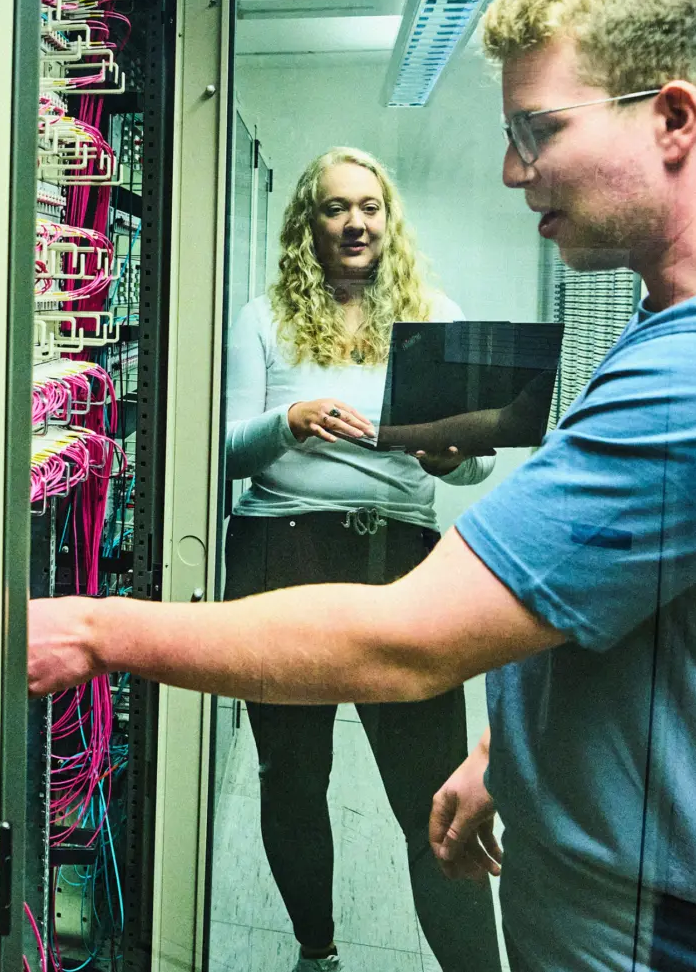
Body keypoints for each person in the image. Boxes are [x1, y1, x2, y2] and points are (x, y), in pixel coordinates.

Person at [29, 0, 696, 972]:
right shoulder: (688, 333)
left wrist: (92, 627)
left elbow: (403, 641)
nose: (514, 170)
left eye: (538, 128)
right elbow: (631, 606)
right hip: (640, 902)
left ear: (676, 118)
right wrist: (504, 748)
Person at [221, 146, 502, 972]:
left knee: (434, 796)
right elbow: (226, 450)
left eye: (370, 207)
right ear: (309, 221)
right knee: (295, 778)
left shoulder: (435, 318)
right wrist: (291, 420)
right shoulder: (261, 317)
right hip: (283, 550)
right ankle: (319, 952)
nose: (356, 222)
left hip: (402, 562)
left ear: (390, 220)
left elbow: (477, 454)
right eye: (337, 207)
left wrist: (457, 459)